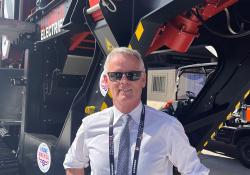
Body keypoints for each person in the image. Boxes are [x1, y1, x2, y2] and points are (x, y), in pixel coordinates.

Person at [63, 47, 209, 175]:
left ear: (143, 80)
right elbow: (73, 164)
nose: (124, 81)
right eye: (116, 75)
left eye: (132, 75)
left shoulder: (167, 127)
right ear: (106, 81)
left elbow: (195, 171)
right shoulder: (90, 125)